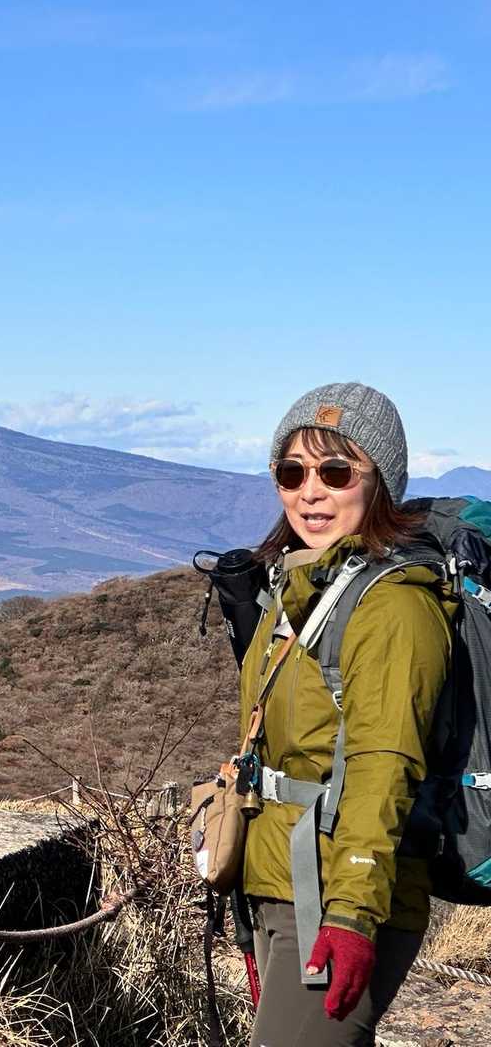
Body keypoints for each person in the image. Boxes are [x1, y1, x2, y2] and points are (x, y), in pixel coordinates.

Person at [239, 382, 455, 1046]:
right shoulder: (299, 589)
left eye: (336, 472)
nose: (311, 492)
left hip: (341, 894)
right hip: (283, 883)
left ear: (380, 482)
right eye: (291, 473)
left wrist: (352, 916)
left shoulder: (395, 607)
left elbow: (383, 765)